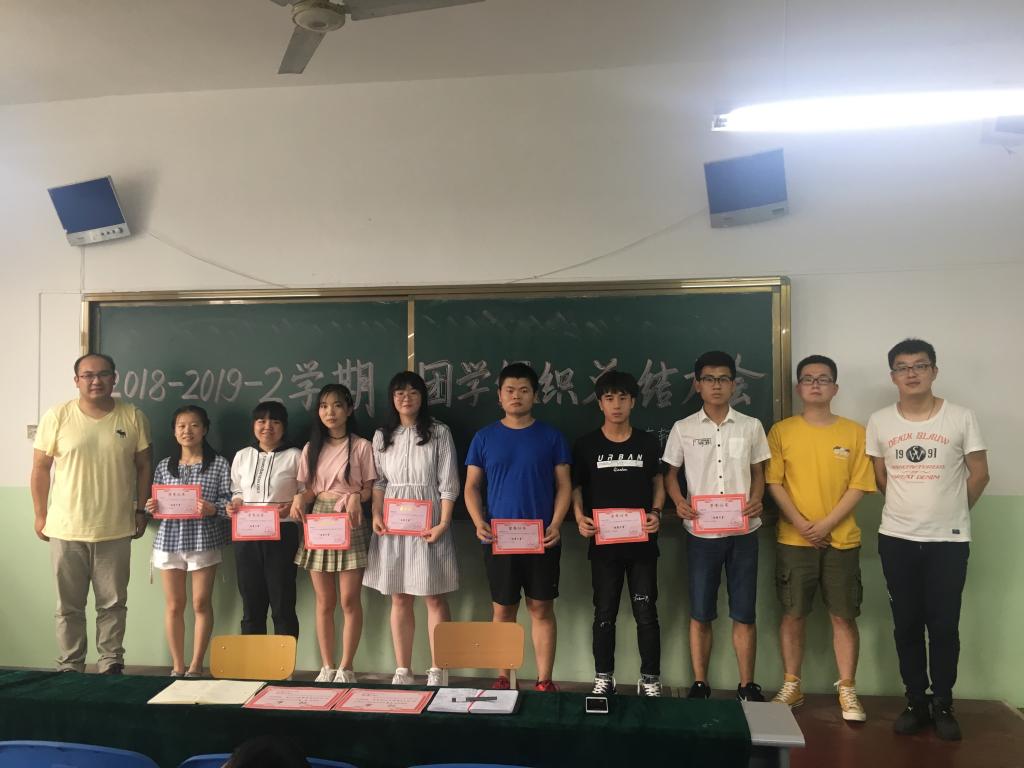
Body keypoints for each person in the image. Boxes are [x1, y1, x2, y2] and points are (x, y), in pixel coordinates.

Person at [867, 338, 989, 741]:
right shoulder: (880, 421)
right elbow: (881, 476)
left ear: (934, 371)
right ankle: (915, 702)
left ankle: (944, 704)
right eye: (903, 367)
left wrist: (952, 511)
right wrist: (910, 510)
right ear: (893, 377)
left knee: (943, 625)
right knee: (906, 624)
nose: (912, 373)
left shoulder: (961, 417)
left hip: (948, 543)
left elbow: (980, 473)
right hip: (896, 539)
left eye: (920, 365)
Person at [765, 355, 876, 721]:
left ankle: (848, 690)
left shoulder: (855, 432)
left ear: (835, 388)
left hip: (841, 540)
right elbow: (774, 483)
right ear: (798, 388)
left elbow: (860, 485)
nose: (815, 384)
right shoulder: (781, 431)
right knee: (793, 613)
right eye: (808, 378)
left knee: (844, 616)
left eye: (823, 379)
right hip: (794, 540)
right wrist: (802, 524)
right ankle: (792, 685)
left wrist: (825, 525)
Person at [30, 352, 152, 674]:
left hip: (115, 529)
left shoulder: (133, 416)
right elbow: (40, 468)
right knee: (68, 607)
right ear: (77, 381)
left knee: (113, 604)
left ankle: (111, 663)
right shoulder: (57, 416)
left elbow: (144, 465)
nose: (96, 381)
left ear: (114, 378)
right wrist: (40, 514)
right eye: (88, 375)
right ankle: (70, 665)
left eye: (103, 374)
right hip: (66, 528)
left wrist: (141, 509)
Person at [663, 350, 771, 701]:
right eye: (709, 379)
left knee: (744, 612)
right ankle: (700, 683)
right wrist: (678, 502)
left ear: (734, 384)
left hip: (744, 532)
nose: (716, 385)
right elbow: (670, 475)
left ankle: (747, 685)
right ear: (697, 385)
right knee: (700, 612)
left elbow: (758, 473)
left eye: (724, 379)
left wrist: (757, 498)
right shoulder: (683, 428)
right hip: (701, 534)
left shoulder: (752, 426)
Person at [464, 362, 572, 692]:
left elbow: (564, 485)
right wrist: (478, 521)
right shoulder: (484, 437)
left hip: (542, 538)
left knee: (541, 607)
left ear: (535, 396)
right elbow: (471, 487)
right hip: (499, 539)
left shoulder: (552, 436)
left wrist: (556, 523)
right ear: (499, 396)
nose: (516, 396)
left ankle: (544, 680)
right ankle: (504, 677)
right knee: (503, 609)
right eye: (510, 390)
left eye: (524, 390)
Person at [364, 372, 460, 687]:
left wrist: (444, 523)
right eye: (399, 393)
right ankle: (403, 669)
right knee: (400, 597)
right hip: (393, 523)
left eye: (413, 392)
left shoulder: (439, 432)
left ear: (423, 396)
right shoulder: (382, 435)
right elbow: (379, 482)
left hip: (430, 522)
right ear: (392, 398)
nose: (406, 398)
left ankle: (438, 668)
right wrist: (375, 513)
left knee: (434, 596)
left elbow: (448, 483)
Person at [572, 370, 665, 697]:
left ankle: (650, 679)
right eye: (609, 398)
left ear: (633, 402)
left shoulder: (647, 442)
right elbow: (576, 487)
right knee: (604, 614)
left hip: (642, 546)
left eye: (623, 398)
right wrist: (579, 518)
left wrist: (656, 513)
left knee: (646, 613)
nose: (616, 405)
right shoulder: (586, 445)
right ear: (600, 403)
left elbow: (658, 481)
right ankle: (604, 678)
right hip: (604, 546)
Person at [290, 384, 376, 684]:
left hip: (350, 519)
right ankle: (327, 666)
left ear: (349, 410)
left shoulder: (362, 446)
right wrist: (300, 498)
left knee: (349, 600)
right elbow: (310, 490)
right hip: (320, 520)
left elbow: (369, 489)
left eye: (337, 405)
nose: (330, 412)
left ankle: (346, 667)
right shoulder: (311, 448)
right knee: (324, 601)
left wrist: (356, 497)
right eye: (324, 406)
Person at [144, 405, 232, 677]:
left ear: (204, 429)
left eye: (194, 425)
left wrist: (213, 508)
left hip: (204, 540)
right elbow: (158, 505)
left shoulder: (219, 464)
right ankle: (177, 666)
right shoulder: (164, 466)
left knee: (201, 603)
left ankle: (196, 665)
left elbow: (230, 503)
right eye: (181, 426)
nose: (187, 431)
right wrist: (151, 507)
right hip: (169, 541)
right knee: (174, 605)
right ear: (174, 431)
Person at [228, 401, 304, 638]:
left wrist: (291, 507)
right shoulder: (242, 456)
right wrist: (235, 502)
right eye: (261, 421)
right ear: (254, 425)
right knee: (251, 607)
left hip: (282, 535)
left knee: (283, 606)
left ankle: (284, 661)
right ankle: (254, 661)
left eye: (275, 421)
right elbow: (237, 490)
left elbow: (305, 493)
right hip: (246, 536)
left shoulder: (296, 456)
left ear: (284, 426)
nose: (267, 426)